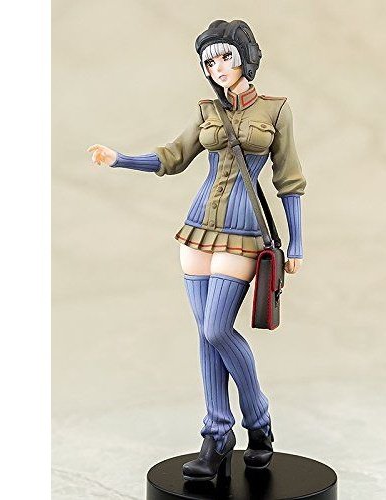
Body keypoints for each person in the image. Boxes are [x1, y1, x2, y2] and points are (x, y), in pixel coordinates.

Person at [87, 19, 306, 481]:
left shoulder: (276, 110)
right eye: (209, 61)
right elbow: (174, 155)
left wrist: (297, 242)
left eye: (226, 56)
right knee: (205, 336)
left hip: (243, 231)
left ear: (246, 57)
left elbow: (289, 179)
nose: (218, 66)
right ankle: (217, 434)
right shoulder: (207, 110)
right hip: (197, 227)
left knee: (216, 329)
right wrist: (120, 158)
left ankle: (259, 419)